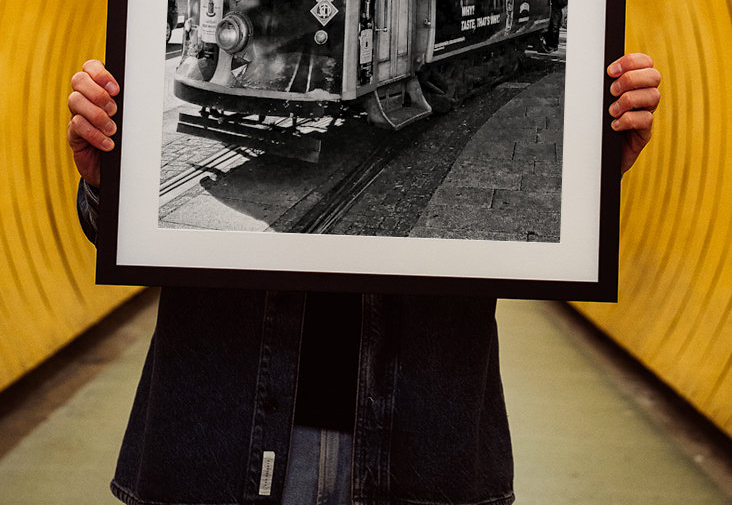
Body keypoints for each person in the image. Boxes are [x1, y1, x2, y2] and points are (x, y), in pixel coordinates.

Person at [68, 52, 661, 505]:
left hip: (420, 448)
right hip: (218, 440)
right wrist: (109, 184)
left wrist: (586, 173)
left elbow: (539, 244)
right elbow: (115, 234)